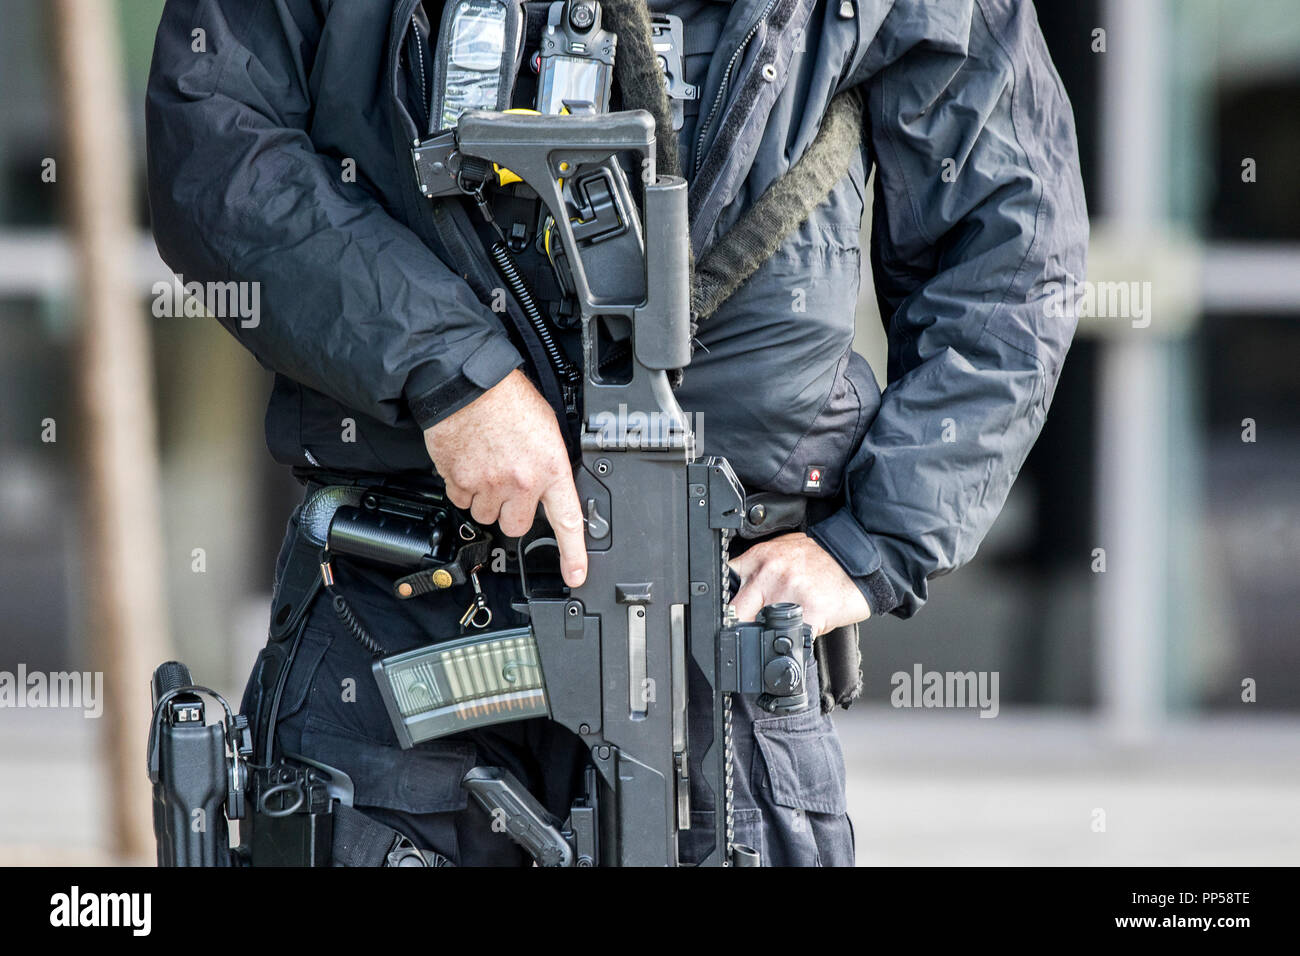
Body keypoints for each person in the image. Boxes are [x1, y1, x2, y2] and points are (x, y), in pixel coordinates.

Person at [146, 0, 1087, 866]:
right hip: (391, 603)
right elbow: (218, 144)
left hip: (723, 624)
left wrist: (871, 543)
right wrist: (447, 372)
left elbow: (1014, 249)